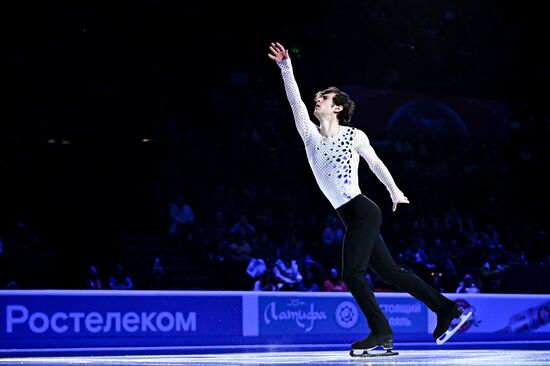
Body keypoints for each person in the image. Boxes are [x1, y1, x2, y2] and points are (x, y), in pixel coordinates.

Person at [268, 42, 471, 356]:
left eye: (323, 97)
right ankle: (447, 311)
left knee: (352, 273)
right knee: (390, 272)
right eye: (317, 97)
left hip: (363, 210)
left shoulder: (354, 135)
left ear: (337, 107)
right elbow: (294, 100)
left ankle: (381, 330)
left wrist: (394, 191)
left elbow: (375, 163)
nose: (316, 100)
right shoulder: (309, 134)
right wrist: (286, 67)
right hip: (349, 215)